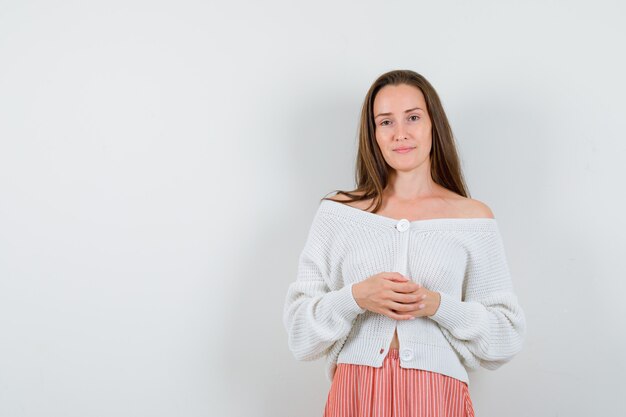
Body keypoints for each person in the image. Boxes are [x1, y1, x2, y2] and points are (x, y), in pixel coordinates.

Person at [282, 69, 527, 417]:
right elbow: (299, 334)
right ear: (374, 134)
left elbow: (507, 336)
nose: (400, 134)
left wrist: (437, 305)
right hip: (356, 394)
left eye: (412, 117)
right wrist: (355, 298)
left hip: (438, 396)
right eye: (385, 122)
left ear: (433, 125)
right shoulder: (338, 213)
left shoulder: (472, 218)